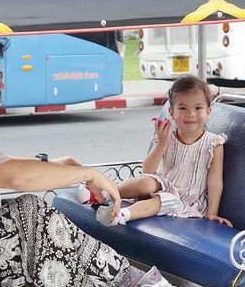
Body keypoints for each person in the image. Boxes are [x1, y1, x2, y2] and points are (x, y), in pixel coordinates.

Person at [0, 38, 187, 287]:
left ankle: (104, 284)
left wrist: (57, 166)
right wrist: (87, 174)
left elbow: (0, 166)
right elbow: (16, 176)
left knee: (31, 213)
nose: (2, 86)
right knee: (31, 209)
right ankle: (136, 283)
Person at [84, 75, 230, 228]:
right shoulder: (167, 137)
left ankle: (121, 215)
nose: (191, 114)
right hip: (161, 185)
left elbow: (215, 182)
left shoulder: (214, 144)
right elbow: (147, 170)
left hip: (184, 200)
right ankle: (103, 193)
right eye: (182, 108)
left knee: (164, 199)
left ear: (208, 111)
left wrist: (212, 212)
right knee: (147, 182)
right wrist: (162, 144)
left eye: (198, 108)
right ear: (172, 113)